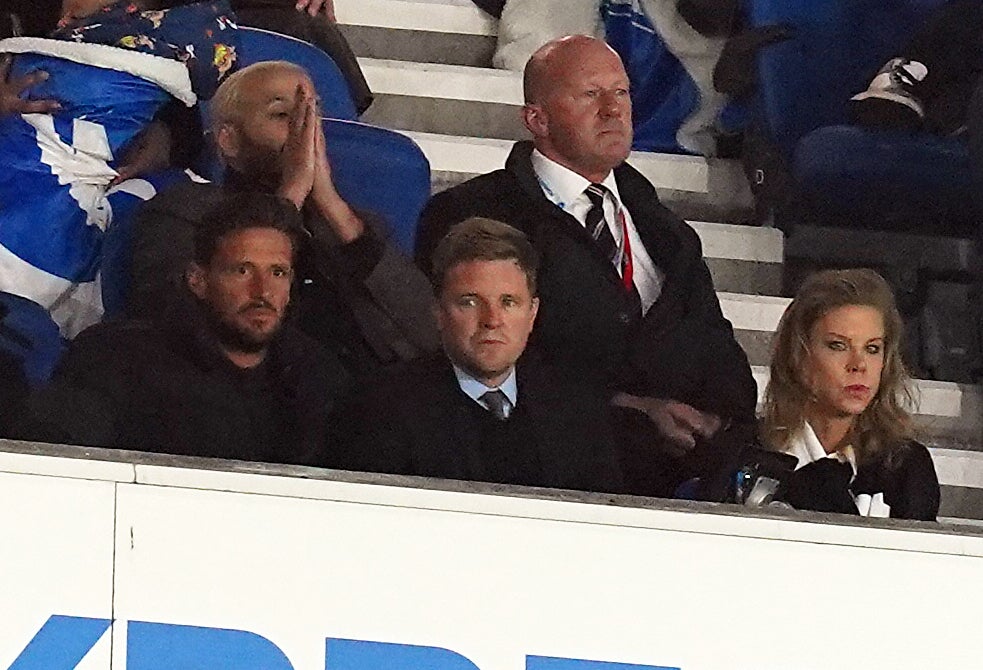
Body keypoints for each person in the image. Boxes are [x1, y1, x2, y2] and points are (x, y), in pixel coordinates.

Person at [415, 35, 756, 498]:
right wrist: (627, 409)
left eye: (622, 93)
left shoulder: (667, 231)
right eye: (590, 94)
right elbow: (471, 353)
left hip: (674, 487)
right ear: (537, 118)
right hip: (537, 477)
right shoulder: (473, 213)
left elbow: (717, 346)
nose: (613, 110)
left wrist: (716, 417)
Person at [130, 60, 439, 379]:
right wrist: (290, 194)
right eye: (281, 115)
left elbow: (432, 334)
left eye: (311, 115)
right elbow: (171, 322)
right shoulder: (185, 210)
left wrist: (331, 205)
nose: (302, 132)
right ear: (228, 140)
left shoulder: (355, 227)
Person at [21, 193, 347, 464]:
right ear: (198, 280)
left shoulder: (318, 378)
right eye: (242, 271)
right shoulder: (118, 361)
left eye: (278, 273)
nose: (263, 292)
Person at [329, 217, 624, 493]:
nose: (492, 320)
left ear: (532, 313)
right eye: (470, 302)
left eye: (508, 302)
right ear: (439, 313)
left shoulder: (578, 410)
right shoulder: (380, 410)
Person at [761, 268, 940, 520]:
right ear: (798, 355)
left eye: (872, 348)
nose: (859, 364)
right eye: (838, 346)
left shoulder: (906, 466)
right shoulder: (751, 451)